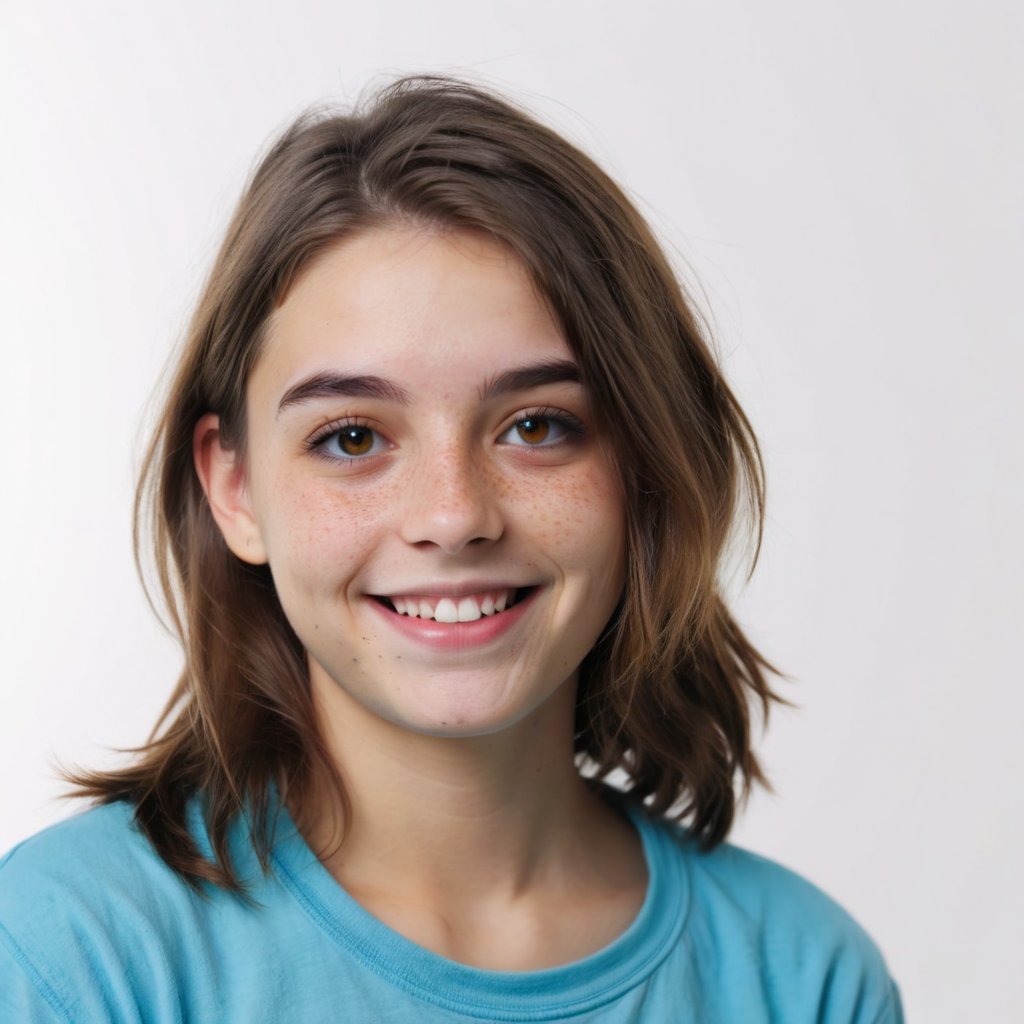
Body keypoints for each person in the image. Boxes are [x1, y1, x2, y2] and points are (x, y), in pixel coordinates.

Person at [0, 76, 903, 1022]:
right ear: (234, 488)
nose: (454, 514)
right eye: (353, 437)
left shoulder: (805, 982)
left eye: (538, 426)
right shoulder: (73, 960)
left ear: (644, 461)